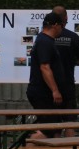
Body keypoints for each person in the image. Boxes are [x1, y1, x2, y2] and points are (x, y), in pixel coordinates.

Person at [26, 12, 67, 141]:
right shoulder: (45, 41)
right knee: (49, 129)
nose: (62, 28)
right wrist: (55, 90)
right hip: (42, 93)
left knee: (56, 126)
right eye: (62, 25)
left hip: (45, 93)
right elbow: (44, 67)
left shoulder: (45, 40)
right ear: (55, 25)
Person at [52, 6, 79, 138]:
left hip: (50, 86)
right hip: (67, 85)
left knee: (54, 123)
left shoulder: (45, 37)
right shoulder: (72, 36)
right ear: (66, 18)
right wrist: (72, 61)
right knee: (69, 122)